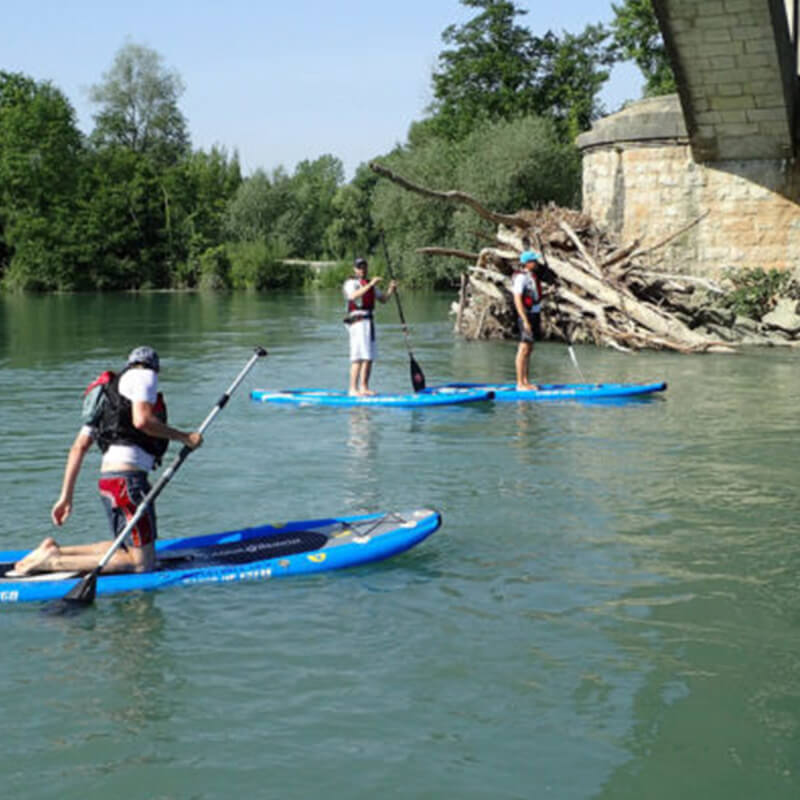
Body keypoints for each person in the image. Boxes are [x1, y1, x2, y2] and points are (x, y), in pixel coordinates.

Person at [12, 346, 203, 576]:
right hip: (128, 482)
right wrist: (186, 437)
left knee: (124, 548)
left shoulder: (107, 394)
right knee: (142, 564)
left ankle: (56, 550)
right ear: (154, 367)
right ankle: (51, 561)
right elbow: (142, 421)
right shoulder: (145, 375)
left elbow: (78, 447)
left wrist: (66, 496)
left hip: (109, 482)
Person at [342, 257, 396, 396]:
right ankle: (353, 389)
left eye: (364, 267)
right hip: (357, 322)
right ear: (355, 269)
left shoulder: (369, 284)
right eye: (359, 267)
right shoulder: (351, 283)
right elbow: (353, 296)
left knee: (368, 356)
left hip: (369, 323)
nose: (362, 270)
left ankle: (364, 387)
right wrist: (370, 285)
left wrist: (390, 290)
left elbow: (383, 299)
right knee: (358, 356)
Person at [512, 250, 544, 391]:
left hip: (535, 314)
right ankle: (520, 384)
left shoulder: (532, 276)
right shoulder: (521, 278)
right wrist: (525, 320)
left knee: (529, 349)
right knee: (523, 348)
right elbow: (517, 300)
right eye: (534, 261)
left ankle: (526, 381)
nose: (536, 263)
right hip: (526, 315)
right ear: (527, 263)